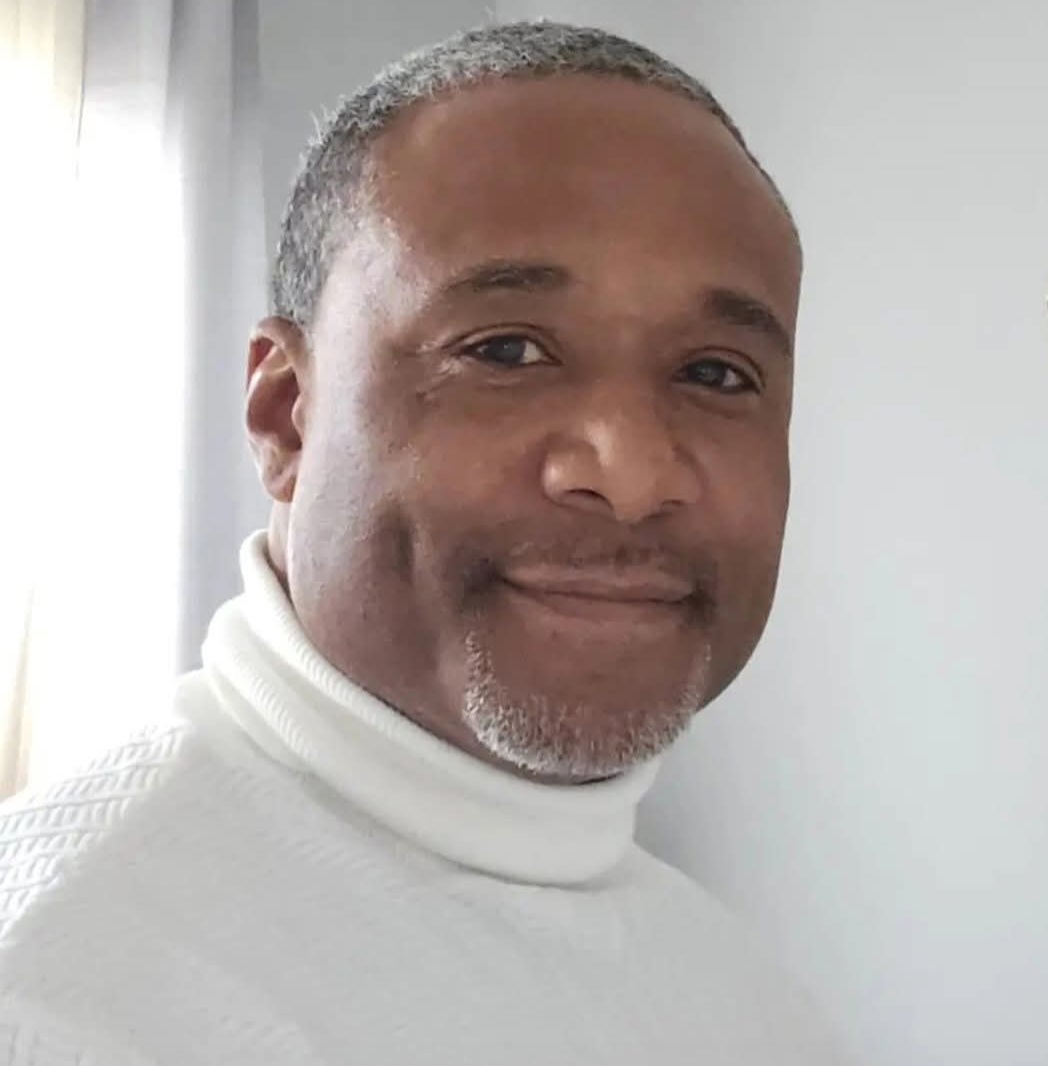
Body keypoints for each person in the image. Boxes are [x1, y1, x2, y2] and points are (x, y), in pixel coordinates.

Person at [0, 20, 848, 1066]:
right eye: (505, 350)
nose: (632, 475)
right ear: (286, 416)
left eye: (715, 374)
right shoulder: (57, 1005)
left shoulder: (749, 992)